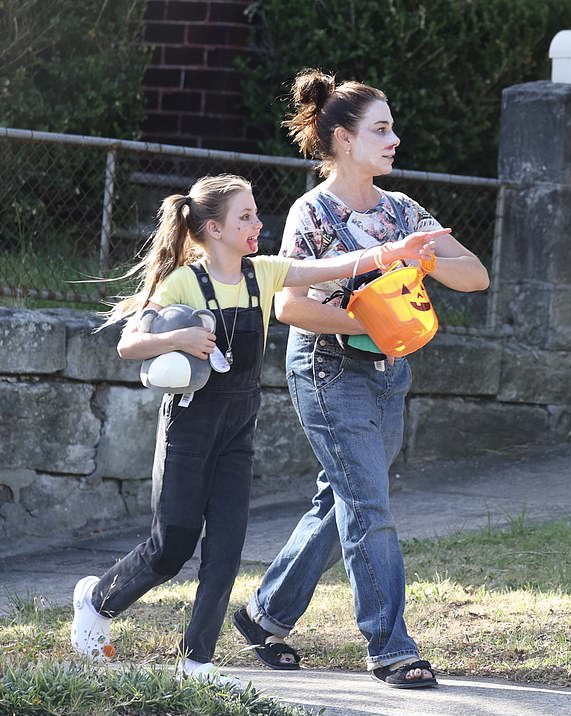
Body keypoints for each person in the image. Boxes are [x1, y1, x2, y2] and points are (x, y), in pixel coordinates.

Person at [70, 172, 442, 688]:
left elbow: (333, 265)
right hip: (190, 426)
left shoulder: (263, 273)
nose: (257, 223)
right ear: (215, 229)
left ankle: (196, 661)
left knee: (225, 548)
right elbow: (129, 345)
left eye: (255, 213)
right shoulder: (185, 282)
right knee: (173, 544)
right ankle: (95, 600)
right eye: (245, 216)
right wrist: (180, 334)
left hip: (238, 430)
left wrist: (390, 252)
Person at [233, 70, 490, 688]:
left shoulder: (401, 210)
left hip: (389, 372)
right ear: (344, 139)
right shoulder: (313, 211)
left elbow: (475, 275)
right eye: (381, 129)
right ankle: (391, 646)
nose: (394, 138)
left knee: (343, 499)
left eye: (392, 127)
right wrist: (365, 313)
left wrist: (423, 255)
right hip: (329, 370)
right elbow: (288, 304)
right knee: (368, 504)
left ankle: (264, 616)